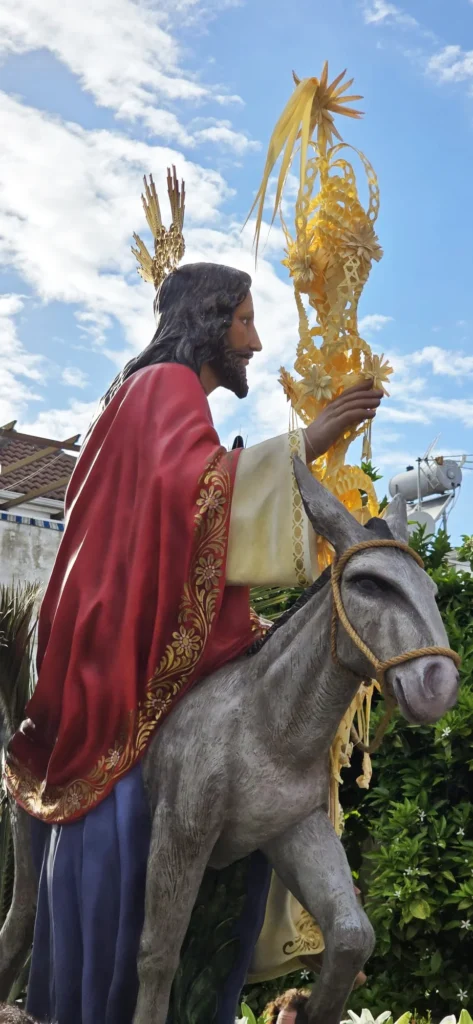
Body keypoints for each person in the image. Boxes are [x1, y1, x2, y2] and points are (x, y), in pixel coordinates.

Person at [4, 219, 382, 1022]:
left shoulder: (142, 394)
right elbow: (196, 494)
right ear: (210, 320)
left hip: (132, 641)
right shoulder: (162, 388)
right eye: (244, 320)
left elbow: (192, 496)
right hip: (126, 662)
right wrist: (311, 440)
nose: (253, 339)